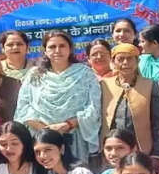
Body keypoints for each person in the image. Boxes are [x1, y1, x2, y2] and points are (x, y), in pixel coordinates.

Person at [15, 30, 102, 161]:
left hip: (73, 138)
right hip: (41, 139)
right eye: (52, 47)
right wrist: (45, 129)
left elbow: (94, 107)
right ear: (45, 50)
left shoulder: (85, 74)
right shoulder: (34, 75)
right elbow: (23, 107)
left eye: (62, 46)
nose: (57, 50)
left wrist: (68, 124)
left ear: (70, 49)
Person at [101, 43, 159, 160]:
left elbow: (158, 122)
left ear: (138, 61)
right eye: (120, 59)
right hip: (111, 150)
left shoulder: (149, 85)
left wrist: (157, 153)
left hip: (141, 149)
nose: (125, 63)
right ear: (113, 62)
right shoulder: (104, 85)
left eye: (130, 59)